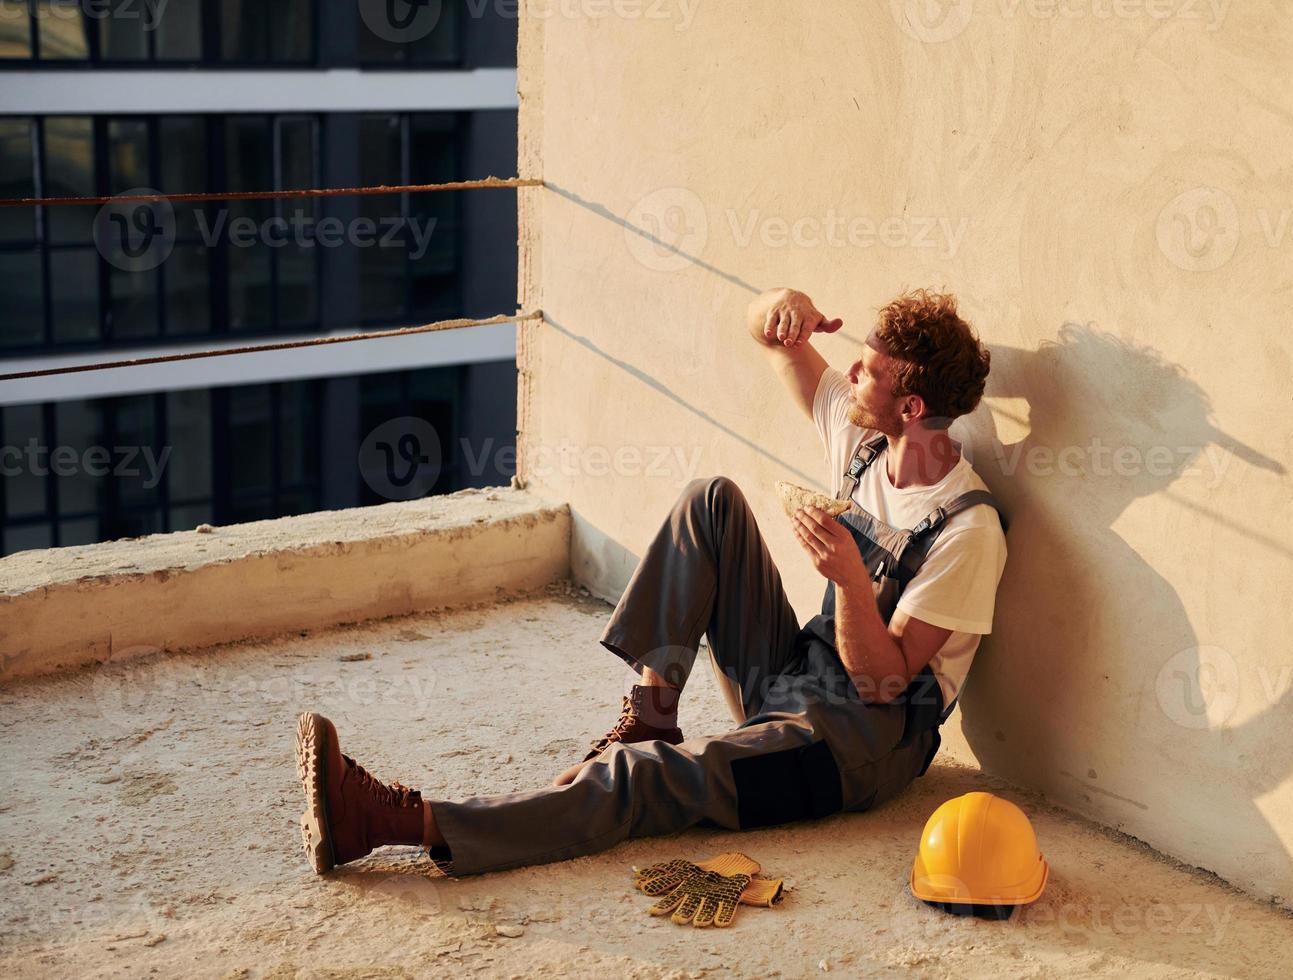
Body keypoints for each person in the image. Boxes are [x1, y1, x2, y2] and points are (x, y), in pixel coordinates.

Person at [294, 287, 1008, 877]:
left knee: (643, 781)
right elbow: (769, 335)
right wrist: (780, 307)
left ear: (912, 408)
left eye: (867, 371)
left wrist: (852, 584)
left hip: (852, 749)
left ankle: (398, 823)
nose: (849, 374)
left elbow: (885, 685)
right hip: (796, 674)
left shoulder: (966, 533)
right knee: (712, 501)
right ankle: (654, 710)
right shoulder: (866, 439)